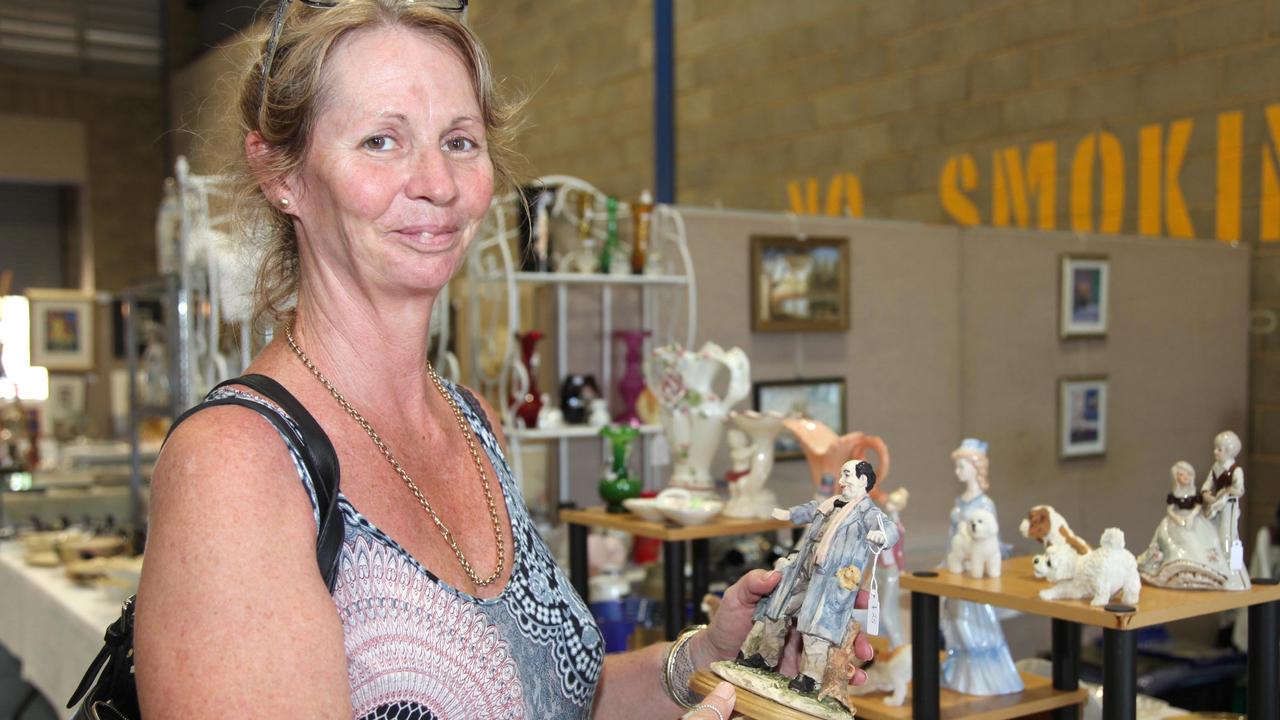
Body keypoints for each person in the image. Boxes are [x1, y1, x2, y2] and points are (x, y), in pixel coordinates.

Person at [132, 3, 873, 718]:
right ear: (281, 174)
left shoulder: (470, 420)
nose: (438, 184)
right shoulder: (236, 465)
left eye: (459, 141)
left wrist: (704, 659)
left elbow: (542, 697)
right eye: (380, 141)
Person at [735, 460, 887, 697]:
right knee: (777, 609)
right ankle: (765, 658)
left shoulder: (868, 513)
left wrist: (881, 534)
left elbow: (887, 528)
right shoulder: (831, 503)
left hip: (830, 583)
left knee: (817, 628)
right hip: (804, 572)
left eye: (846, 475)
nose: (841, 481)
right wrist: (790, 513)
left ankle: (811, 678)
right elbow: (812, 509)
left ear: (863, 480)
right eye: (841, 475)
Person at [939, 439, 1023, 696]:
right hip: (959, 567)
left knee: (971, 621)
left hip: (975, 573)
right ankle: (961, 674)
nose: (958, 472)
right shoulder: (960, 500)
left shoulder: (985, 504)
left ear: (975, 467)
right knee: (954, 618)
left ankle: (984, 678)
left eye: (961, 466)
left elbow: (989, 540)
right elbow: (953, 537)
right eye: (957, 466)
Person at [1137, 461, 1230, 588]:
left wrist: (1191, 517)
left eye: (1188, 475)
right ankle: (1174, 567)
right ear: (1176, 477)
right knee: (1170, 538)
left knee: (1197, 540)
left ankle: (1203, 569)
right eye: (1181, 475)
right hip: (1176, 520)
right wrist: (1177, 518)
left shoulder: (1193, 493)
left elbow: (1197, 507)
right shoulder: (1175, 494)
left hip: (1193, 520)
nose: (1185, 478)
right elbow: (1170, 509)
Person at [1199, 430, 1251, 590]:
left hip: (1229, 507)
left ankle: (1235, 572)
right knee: (1211, 536)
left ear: (1229, 451)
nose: (1215, 452)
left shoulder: (1236, 470)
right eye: (1215, 448)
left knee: (1227, 538)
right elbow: (1206, 486)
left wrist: (1227, 491)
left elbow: (1239, 490)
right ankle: (1218, 571)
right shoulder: (1215, 467)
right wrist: (1208, 496)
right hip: (1216, 507)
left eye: (1219, 449)